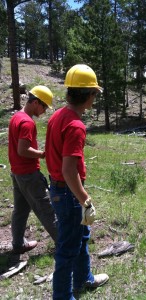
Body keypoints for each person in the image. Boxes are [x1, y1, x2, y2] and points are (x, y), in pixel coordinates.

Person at [45, 64, 109, 300]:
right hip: (68, 193)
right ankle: (62, 296)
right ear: (88, 94)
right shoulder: (75, 126)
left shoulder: (57, 116)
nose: (95, 98)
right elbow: (69, 170)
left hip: (60, 189)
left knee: (81, 237)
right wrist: (85, 200)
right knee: (67, 249)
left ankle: (84, 279)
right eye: (94, 93)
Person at [8, 85, 57, 254]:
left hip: (17, 173)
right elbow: (23, 150)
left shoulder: (16, 117)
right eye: (44, 106)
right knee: (45, 208)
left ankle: (18, 243)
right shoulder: (27, 122)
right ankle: (65, 243)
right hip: (28, 174)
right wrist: (43, 154)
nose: (44, 111)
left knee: (20, 210)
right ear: (36, 102)